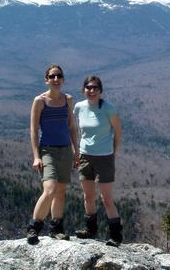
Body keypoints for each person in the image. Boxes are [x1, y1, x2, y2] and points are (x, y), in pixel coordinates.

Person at [26, 64, 78, 245]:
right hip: (47, 149)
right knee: (49, 190)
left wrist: (76, 151)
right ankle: (34, 227)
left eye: (59, 76)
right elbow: (33, 130)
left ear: (63, 79)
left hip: (65, 149)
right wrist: (36, 156)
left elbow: (71, 126)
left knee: (61, 191)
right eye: (52, 76)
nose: (56, 79)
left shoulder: (67, 99)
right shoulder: (39, 101)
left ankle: (56, 228)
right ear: (46, 80)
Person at [73, 75, 123, 246]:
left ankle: (116, 236)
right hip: (85, 156)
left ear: (100, 91)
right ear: (83, 89)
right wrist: (76, 152)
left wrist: (112, 154)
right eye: (88, 87)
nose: (91, 90)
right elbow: (74, 130)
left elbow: (117, 133)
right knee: (88, 196)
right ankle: (90, 230)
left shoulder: (109, 109)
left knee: (106, 199)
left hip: (104, 158)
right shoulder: (79, 107)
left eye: (95, 88)